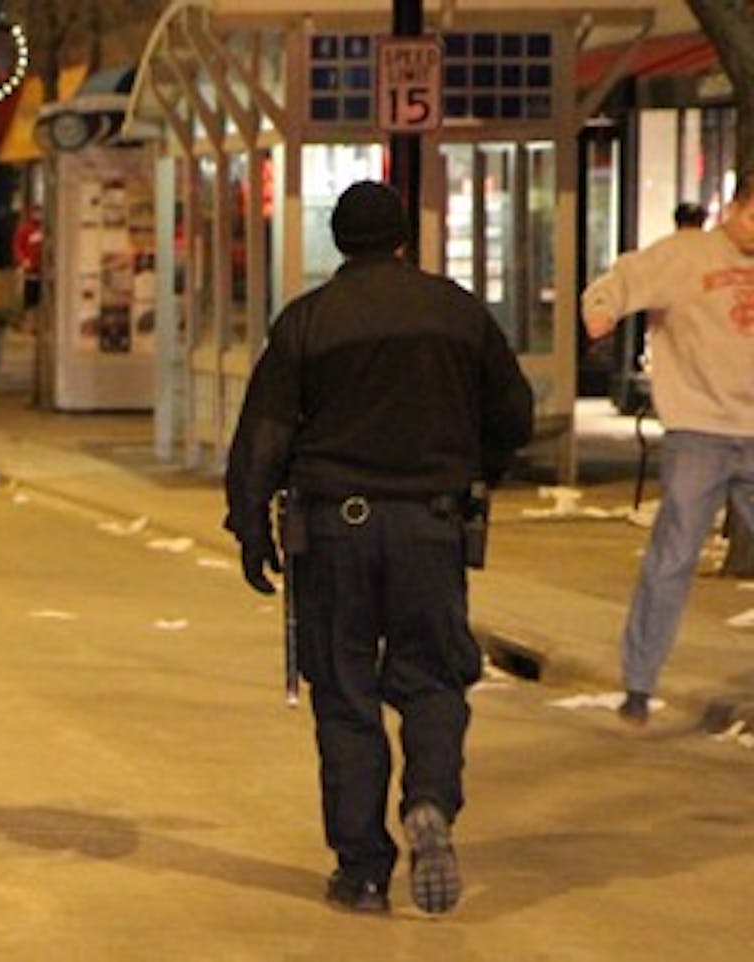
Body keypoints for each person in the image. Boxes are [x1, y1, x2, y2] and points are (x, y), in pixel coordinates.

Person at [224, 181, 533, 917]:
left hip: (335, 530)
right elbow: (513, 414)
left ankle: (363, 872)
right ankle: (429, 799)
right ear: (403, 238)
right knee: (433, 677)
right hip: (432, 526)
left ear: (340, 242)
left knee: (345, 694)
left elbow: (263, 433)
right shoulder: (458, 313)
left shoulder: (308, 320)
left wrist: (249, 526)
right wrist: (473, 469)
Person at [583, 182, 754, 726]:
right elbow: (623, 280)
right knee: (674, 556)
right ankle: (639, 683)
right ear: (732, 210)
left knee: (672, 555)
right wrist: (603, 311)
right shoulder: (685, 255)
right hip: (699, 427)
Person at [12, 206, 45, 310]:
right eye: (36, 212)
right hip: (29, 270)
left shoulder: (44, 229)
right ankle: (28, 318)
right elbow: (17, 246)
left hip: (42, 270)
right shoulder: (25, 230)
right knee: (29, 299)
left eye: (40, 212)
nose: (38, 215)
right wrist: (23, 260)